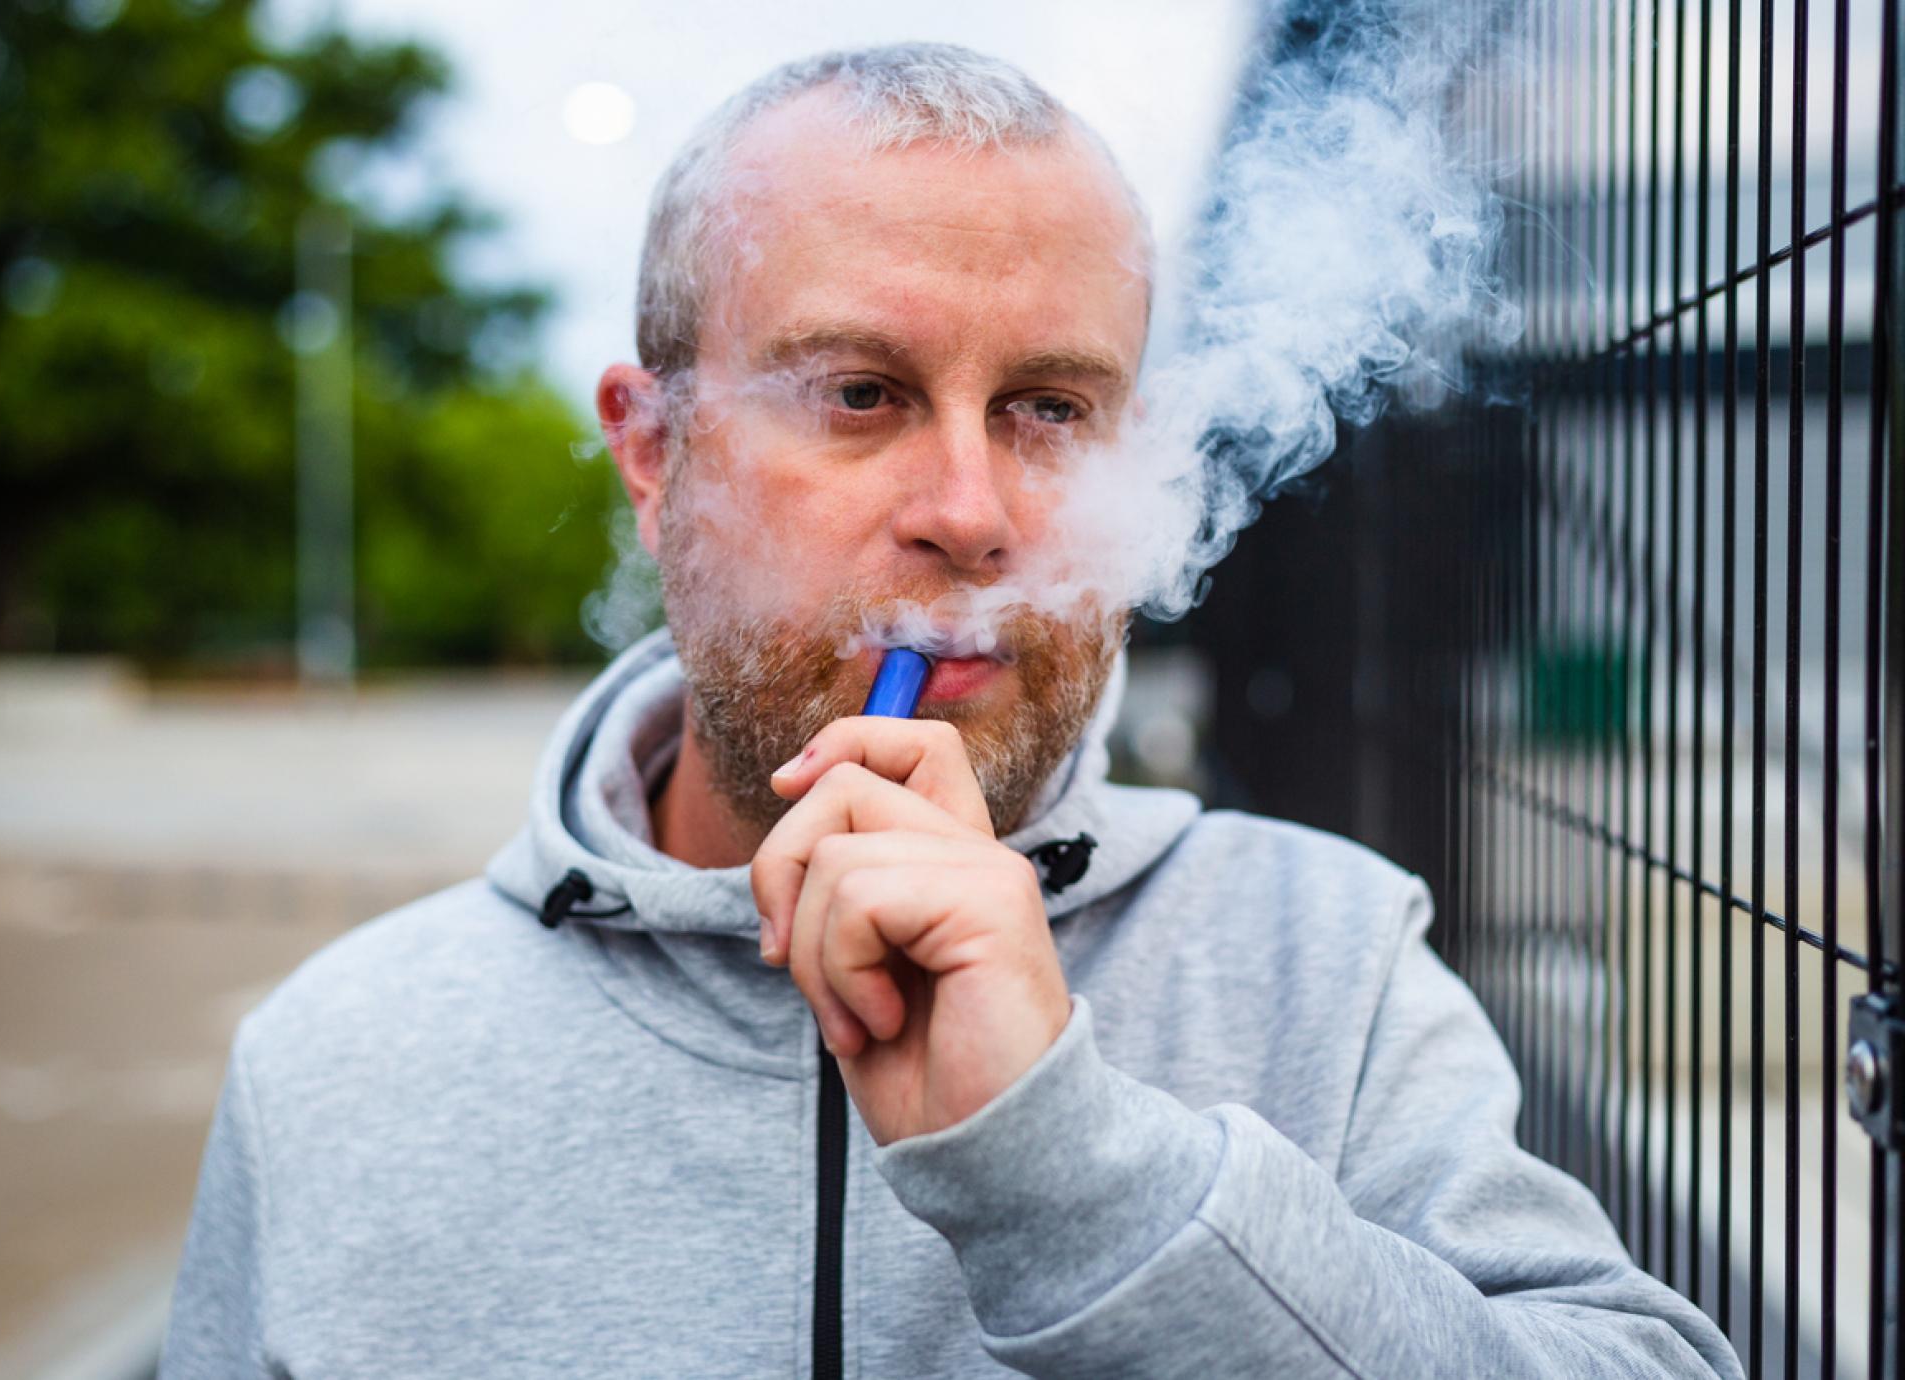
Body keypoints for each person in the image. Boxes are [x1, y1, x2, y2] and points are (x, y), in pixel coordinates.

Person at [159, 43, 1743, 1379]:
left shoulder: (1317, 960)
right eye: (862, 393)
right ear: (655, 457)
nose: (974, 512)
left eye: (1051, 409)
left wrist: (1074, 1175)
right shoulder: (341, 1068)